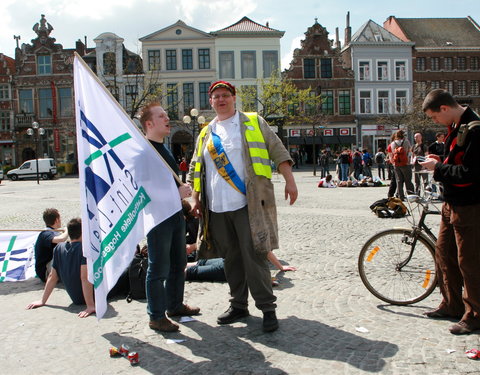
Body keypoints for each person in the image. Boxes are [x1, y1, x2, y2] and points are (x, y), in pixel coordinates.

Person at [188, 80, 298, 333]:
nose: (221, 100)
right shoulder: (206, 132)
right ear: (211, 101)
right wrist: (196, 198)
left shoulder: (253, 122)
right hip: (216, 208)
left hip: (248, 204)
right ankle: (238, 305)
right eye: (216, 97)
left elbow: (277, 150)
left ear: (234, 98)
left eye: (225, 95)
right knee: (231, 259)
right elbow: (196, 167)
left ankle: (267, 308)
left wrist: (290, 181)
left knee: (256, 256)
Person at [420, 89, 480, 335]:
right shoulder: (458, 126)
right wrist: (439, 160)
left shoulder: (475, 129)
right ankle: (452, 304)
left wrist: (439, 167)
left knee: (470, 263)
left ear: (444, 108)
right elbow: (455, 160)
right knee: (443, 254)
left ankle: (475, 314)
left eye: (434, 118)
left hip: (469, 205)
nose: (435, 123)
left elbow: (470, 174)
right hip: (451, 203)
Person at [139, 102, 200, 333]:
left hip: (174, 215)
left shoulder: (163, 148)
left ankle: (174, 305)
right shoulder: (144, 151)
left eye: (166, 115)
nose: (168, 119)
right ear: (149, 123)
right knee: (158, 268)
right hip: (158, 218)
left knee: (179, 263)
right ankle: (156, 316)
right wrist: (175, 192)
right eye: (161, 116)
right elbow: (143, 189)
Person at [26, 218, 95, 318]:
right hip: (88, 297)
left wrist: (42, 301)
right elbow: (84, 278)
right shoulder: (83, 249)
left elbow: (52, 277)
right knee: (121, 274)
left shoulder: (59, 248)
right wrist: (90, 305)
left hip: (75, 298)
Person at [34, 208, 69, 282]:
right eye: (60, 218)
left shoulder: (54, 232)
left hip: (51, 267)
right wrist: (67, 230)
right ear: (57, 220)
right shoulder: (45, 233)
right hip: (45, 272)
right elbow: (61, 239)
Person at [390, 130, 414, 201]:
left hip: (397, 164)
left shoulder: (393, 143)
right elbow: (410, 150)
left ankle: (401, 196)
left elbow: (393, 152)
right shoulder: (406, 142)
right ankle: (411, 195)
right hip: (405, 163)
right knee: (408, 180)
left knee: (399, 180)